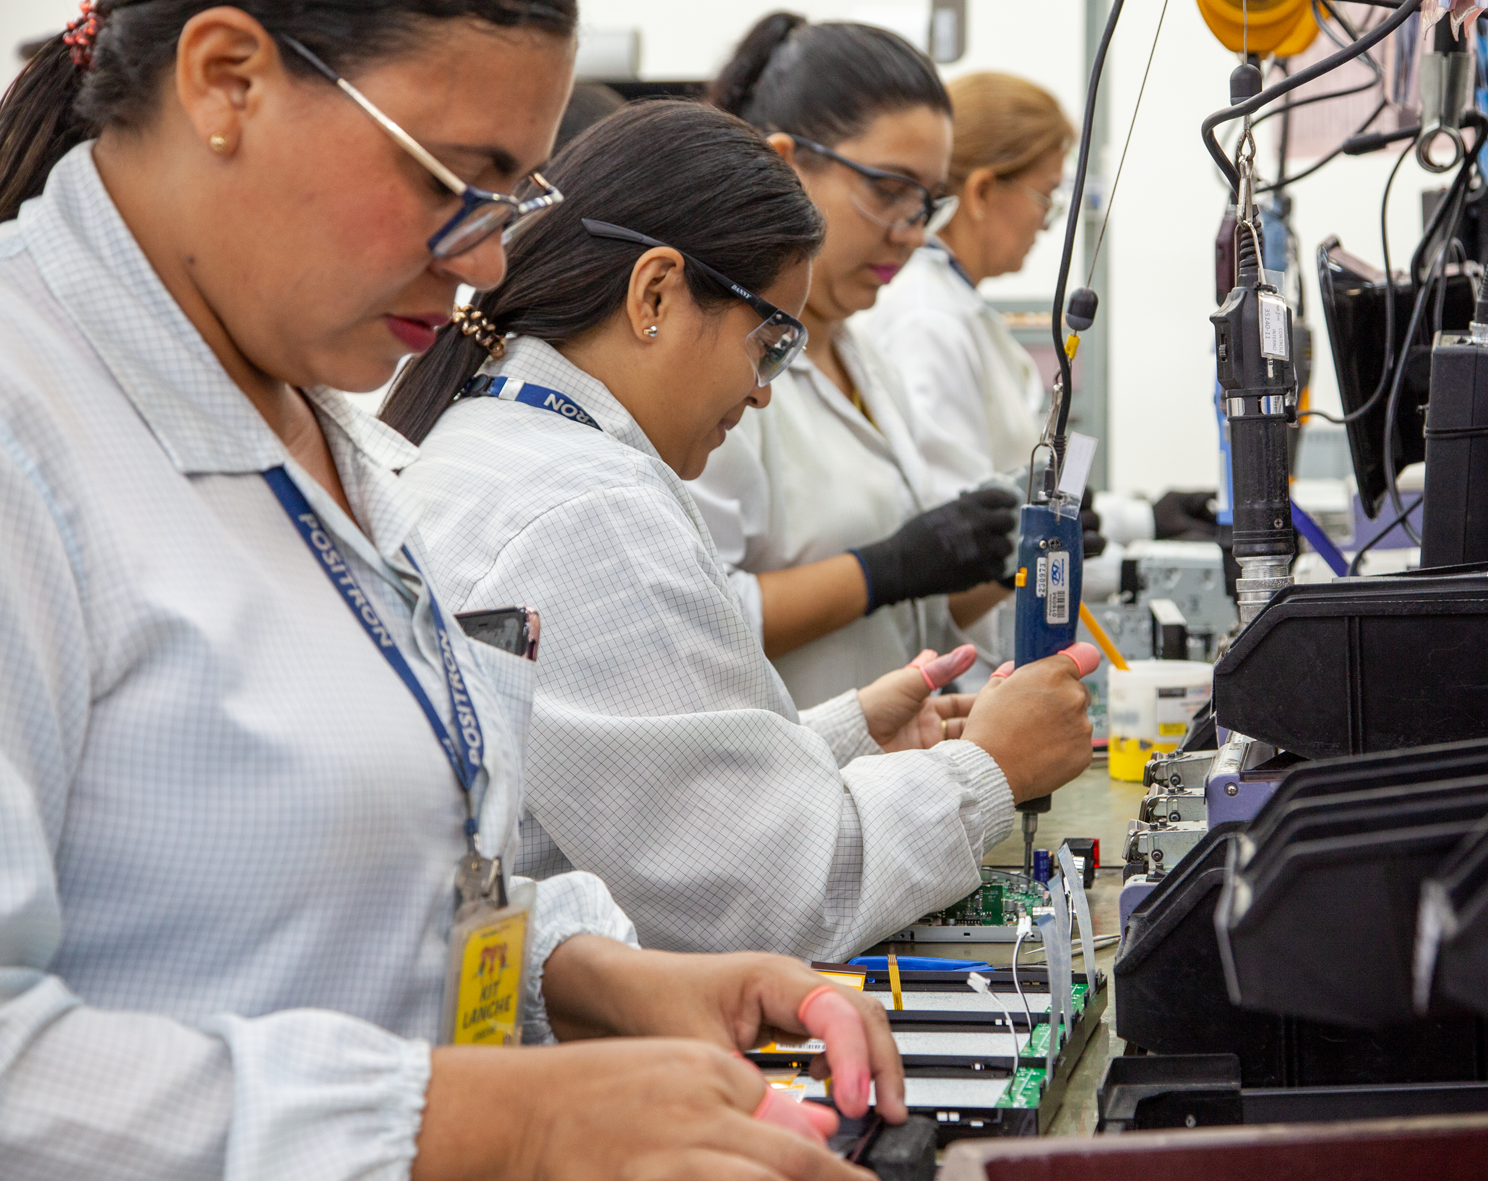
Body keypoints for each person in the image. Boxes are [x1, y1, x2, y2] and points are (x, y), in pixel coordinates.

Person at [0, 5, 900, 1179]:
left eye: (513, 196)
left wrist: (589, 978)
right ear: (227, 81)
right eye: (456, 179)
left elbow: (331, 896)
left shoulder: (318, 422)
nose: (485, 261)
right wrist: (499, 1121)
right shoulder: (30, 437)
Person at [380, 99, 1097, 962]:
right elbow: (784, 896)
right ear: (655, 293)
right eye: (769, 345)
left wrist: (847, 732)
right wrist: (987, 771)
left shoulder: (518, 442)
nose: (763, 392)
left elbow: (648, 773)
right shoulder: (584, 508)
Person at [690, 13, 1023, 708]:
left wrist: (1006, 552)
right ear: (784, 165)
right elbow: (696, 624)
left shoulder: (861, 351)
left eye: (925, 202)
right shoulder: (714, 367)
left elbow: (909, 620)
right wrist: (884, 568)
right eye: (888, 190)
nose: (910, 233)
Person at [861, 71, 1221, 552]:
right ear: (983, 192)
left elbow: (1028, 494)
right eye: (1045, 196)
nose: (1048, 224)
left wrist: (1147, 520)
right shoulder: (928, 323)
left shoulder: (960, 308)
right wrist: (1126, 563)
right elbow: (972, 541)